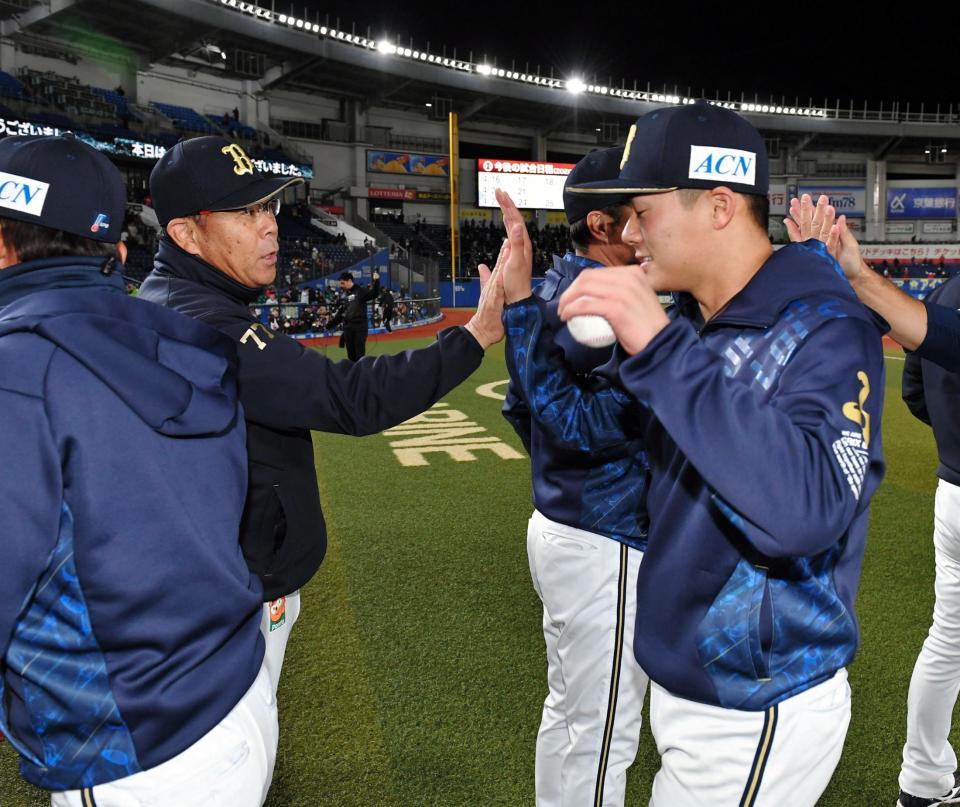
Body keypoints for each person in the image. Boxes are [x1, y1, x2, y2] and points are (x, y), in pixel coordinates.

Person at [498, 99, 886, 806]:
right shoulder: (703, 319)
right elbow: (572, 423)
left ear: (716, 206)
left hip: (754, 699)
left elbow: (807, 511)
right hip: (700, 688)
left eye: (644, 211)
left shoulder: (826, 327)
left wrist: (660, 346)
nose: (630, 231)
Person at [137, 136, 505, 696]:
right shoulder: (205, 324)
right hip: (233, 594)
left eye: (268, 207)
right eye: (245, 212)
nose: (269, 226)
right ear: (186, 233)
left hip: (210, 579)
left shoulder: (174, 300)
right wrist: (474, 335)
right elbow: (350, 397)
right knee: (230, 761)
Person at [0, 135, 276, 804]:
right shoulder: (184, 336)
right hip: (238, 697)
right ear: (118, 251)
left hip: (136, 747)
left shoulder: (16, 370)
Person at [786, 196, 960, 807]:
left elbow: (915, 389)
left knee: (948, 642)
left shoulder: (943, 292)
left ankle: (924, 778)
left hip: (953, 490)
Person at [501, 148, 650, 807]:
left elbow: (519, 403)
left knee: (573, 717)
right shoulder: (598, 301)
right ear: (600, 222)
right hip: (605, 536)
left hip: (570, 522)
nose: (649, 226)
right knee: (599, 732)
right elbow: (586, 426)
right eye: (636, 213)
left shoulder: (560, 283)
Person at [338, 269, 379, 360]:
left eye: (342, 283)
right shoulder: (345, 295)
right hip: (348, 329)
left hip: (360, 328)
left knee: (359, 355)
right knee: (351, 355)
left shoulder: (360, 291)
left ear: (349, 281)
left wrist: (376, 281)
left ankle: (361, 373)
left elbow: (374, 294)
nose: (341, 286)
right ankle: (354, 373)